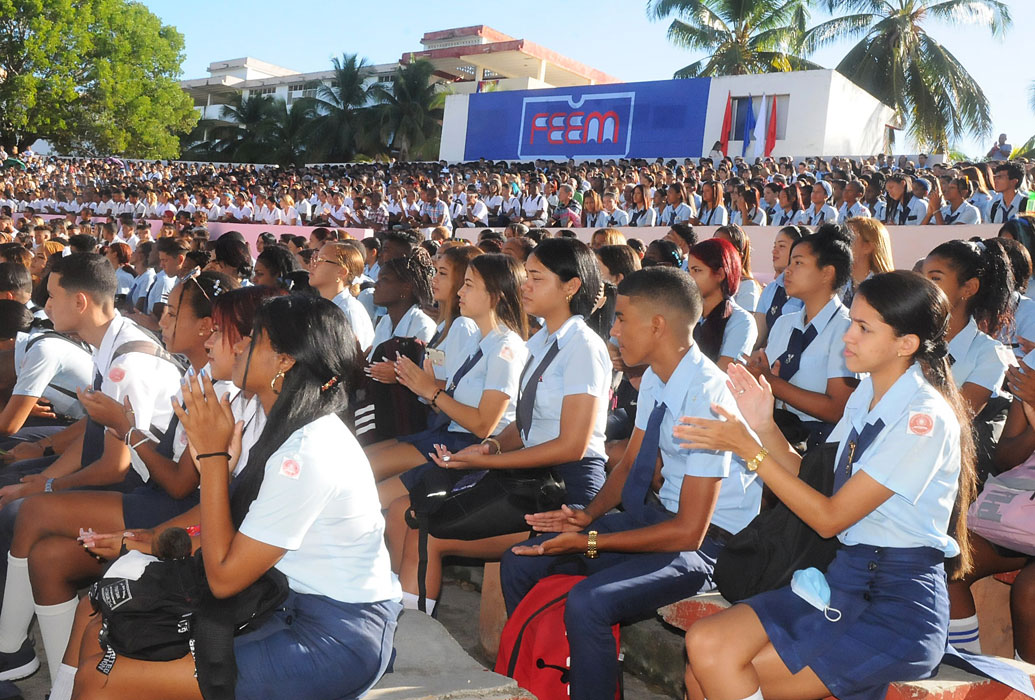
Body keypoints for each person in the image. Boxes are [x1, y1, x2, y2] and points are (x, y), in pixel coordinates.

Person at [73, 294, 402, 700]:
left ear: (284, 361)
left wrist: (212, 460)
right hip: (281, 599)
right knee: (103, 626)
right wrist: (167, 530)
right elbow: (237, 532)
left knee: (99, 680)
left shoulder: (306, 452)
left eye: (255, 338)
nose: (240, 345)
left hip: (333, 635)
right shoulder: (287, 429)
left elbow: (224, 578)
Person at [678, 270, 976, 700]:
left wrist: (750, 451)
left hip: (895, 604)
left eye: (863, 328)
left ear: (906, 344)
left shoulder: (922, 419)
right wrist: (762, 427)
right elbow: (810, 482)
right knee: (703, 649)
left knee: (717, 665)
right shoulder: (869, 392)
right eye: (852, 322)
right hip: (846, 578)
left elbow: (829, 518)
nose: (847, 337)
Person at [501, 266, 762, 700]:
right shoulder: (659, 377)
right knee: (523, 559)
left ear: (657, 326)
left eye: (622, 318)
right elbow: (630, 465)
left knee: (590, 602)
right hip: (661, 524)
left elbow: (690, 531)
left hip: (709, 547)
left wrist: (587, 543)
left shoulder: (707, 394)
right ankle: (543, 680)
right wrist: (585, 517)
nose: (615, 329)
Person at [397, 238, 611, 614]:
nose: (525, 285)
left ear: (571, 286)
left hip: (564, 486)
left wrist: (487, 462)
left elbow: (572, 446)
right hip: (529, 474)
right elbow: (526, 425)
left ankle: (415, 647)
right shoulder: (542, 341)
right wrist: (491, 448)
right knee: (418, 516)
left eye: (536, 278)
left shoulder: (583, 346)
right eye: (526, 276)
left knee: (426, 529)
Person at [374, 254, 529, 560]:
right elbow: (455, 400)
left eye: (469, 285)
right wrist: (427, 386)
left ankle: (390, 586)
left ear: (494, 296)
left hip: (473, 447)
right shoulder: (481, 342)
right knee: (368, 478)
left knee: (375, 497)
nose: (460, 292)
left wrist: (431, 391)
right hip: (451, 434)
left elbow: (485, 424)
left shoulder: (505, 348)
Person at [746, 225, 857, 448]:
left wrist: (772, 382)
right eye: (790, 263)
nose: (788, 270)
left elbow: (838, 408)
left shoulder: (846, 328)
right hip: (778, 439)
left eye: (798, 263)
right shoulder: (784, 323)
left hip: (821, 448)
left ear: (827, 273)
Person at [920, 240, 1013, 421]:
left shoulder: (989, 353)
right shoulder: (907, 335)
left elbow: (956, 417)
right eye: (922, 277)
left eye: (935, 278)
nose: (924, 286)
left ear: (969, 288)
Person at [687, 239, 757, 371]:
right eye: (689, 270)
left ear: (720, 274)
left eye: (697, 270)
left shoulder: (741, 321)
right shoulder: (686, 314)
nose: (690, 278)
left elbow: (724, 374)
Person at [365, 249, 437, 368]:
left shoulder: (423, 326)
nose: (376, 285)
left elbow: (421, 373)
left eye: (384, 280)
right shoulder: (384, 322)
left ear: (406, 287)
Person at [308, 242, 375, 353]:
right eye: (314, 258)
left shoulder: (348, 311)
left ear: (342, 272)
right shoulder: (323, 306)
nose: (313, 264)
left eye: (320, 260)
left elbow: (353, 359)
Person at [754, 226, 807, 345]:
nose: (774, 251)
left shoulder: (809, 290)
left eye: (782, 246)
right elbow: (757, 337)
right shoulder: (770, 290)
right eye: (774, 246)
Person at [843, 217, 894, 308]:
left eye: (848, 238)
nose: (840, 243)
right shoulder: (837, 287)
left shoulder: (886, 291)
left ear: (868, 247)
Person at [715, 224, 762, 313]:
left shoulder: (747, 286)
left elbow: (745, 322)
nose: (716, 251)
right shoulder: (708, 280)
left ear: (738, 255)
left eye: (723, 247)